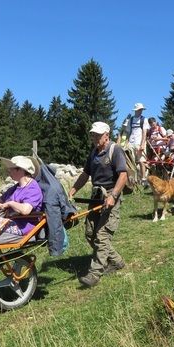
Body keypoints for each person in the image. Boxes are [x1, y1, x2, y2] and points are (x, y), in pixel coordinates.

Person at [70, 122, 128, 287]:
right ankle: (116, 261)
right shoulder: (94, 152)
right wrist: (72, 191)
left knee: (102, 235)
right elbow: (85, 174)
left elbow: (123, 176)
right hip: (96, 195)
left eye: (98, 135)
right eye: (93, 135)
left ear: (107, 135)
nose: (94, 138)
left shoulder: (115, 150)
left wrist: (113, 196)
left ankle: (94, 274)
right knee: (90, 233)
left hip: (111, 194)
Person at [117, 103, 149, 186]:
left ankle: (144, 179)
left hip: (139, 143)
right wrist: (125, 145)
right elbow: (128, 133)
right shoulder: (130, 120)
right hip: (131, 143)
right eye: (140, 109)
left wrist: (142, 144)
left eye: (142, 109)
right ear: (136, 110)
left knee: (142, 161)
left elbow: (144, 133)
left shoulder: (144, 119)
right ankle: (134, 180)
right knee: (132, 161)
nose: (141, 111)